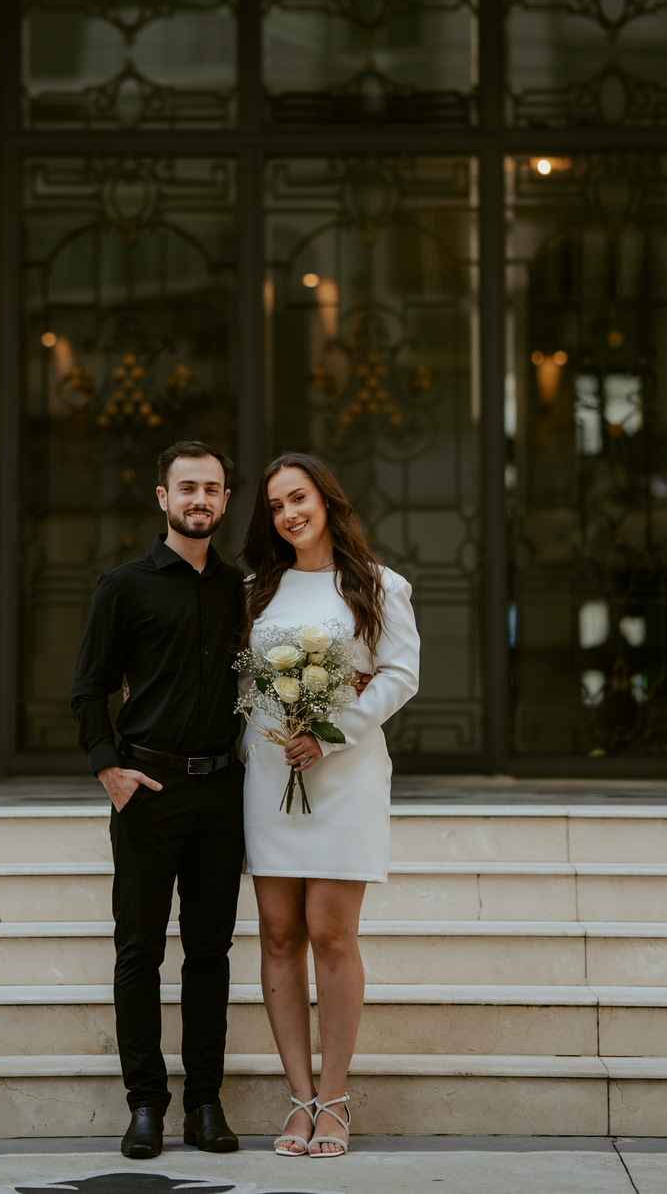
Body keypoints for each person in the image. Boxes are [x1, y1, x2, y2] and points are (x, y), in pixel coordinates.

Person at [238, 452, 420, 1159]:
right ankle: (298, 1100)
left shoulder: (377, 585)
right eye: (277, 505)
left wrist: (328, 732)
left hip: (344, 776)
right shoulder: (257, 590)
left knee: (330, 932)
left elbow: (401, 674)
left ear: (326, 501)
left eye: (299, 498)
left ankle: (336, 1102)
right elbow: (242, 678)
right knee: (279, 932)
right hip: (270, 774)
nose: (288, 513)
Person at [70, 440, 245, 1161]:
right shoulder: (125, 585)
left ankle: (205, 1103)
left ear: (226, 501)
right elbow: (88, 688)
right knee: (139, 952)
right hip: (148, 791)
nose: (199, 499)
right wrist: (109, 768)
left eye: (212, 488)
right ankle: (146, 1105)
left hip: (222, 793)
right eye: (187, 488)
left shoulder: (242, 590)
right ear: (162, 498)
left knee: (209, 954)